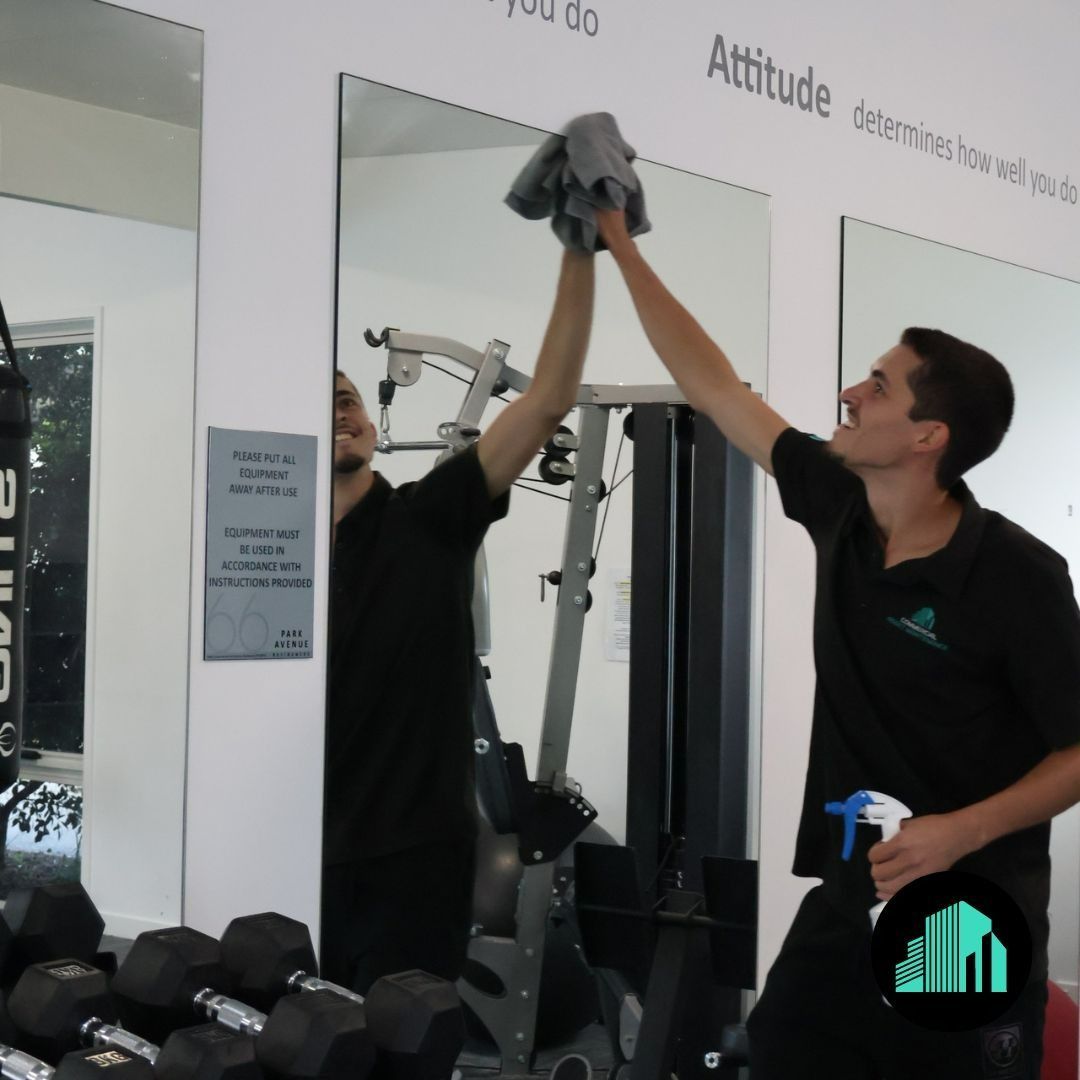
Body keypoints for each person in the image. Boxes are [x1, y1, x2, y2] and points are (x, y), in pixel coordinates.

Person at [594, 207, 1080, 1079]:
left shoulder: (1016, 575)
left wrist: (959, 832)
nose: (851, 393)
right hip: (849, 897)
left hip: (962, 916)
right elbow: (716, 388)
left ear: (929, 437)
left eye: (879, 386)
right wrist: (619, 243)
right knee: (778, 1055)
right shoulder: (840, 504)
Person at [322, 249, 595, 993]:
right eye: (321, 402)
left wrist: (579, 249)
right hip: (296, 850)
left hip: (411, 861)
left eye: (347, 398)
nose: (341, 411)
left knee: (403, 1042)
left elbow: (547, 400)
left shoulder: (428, 518)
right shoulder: (268, 557)